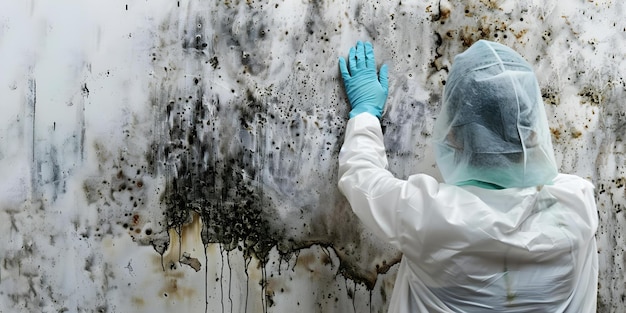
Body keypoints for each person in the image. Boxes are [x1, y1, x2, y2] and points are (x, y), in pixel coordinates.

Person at [337, 40, 598, 312]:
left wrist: (365, 112)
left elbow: (361, 177)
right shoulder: (577, 206)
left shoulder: (432, 215)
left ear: (452, 135)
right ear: (532, 129)